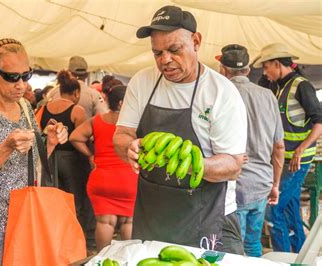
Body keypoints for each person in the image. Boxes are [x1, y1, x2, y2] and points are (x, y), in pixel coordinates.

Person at [113, 5, 248, 254]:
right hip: (151, 215)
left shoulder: (221, 93)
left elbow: (233, 164)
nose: (165, 60)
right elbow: (121, 135)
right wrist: (128, 147)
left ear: (196, 41)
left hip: (207, 217)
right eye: (157, 52)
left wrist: (188, 163)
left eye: (174, 50)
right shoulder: (142, 82)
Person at [0, 38, 67, 265]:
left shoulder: (25, 107)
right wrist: (6, 147)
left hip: (24, 220)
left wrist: (51, 142)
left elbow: (33, 161)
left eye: (26, 75)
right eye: (12, 76)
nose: (21, 85)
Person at [253, 43, 322, 253]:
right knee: (291, 209)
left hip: (297, 160)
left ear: (277, 63)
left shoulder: (301, 86)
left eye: (266, 67)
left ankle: (282, 256)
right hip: (283, 159)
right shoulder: (279, 86)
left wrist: (302, 149)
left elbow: (319, 122)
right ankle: (300, 254)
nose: (265, 72)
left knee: (273, 210)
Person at [217, 44, 285, 257]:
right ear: (247, 69)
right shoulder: (268, 96)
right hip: (262, 183)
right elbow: (279, 146)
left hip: (231, 187)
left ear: (223, 70)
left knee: (232, 248)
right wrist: (275, 184)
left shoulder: (221, 94)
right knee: (253, 243)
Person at [70, 84, 138, 251]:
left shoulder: (96, 120)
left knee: (104, 222)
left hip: (102, 179)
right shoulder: (134, 124)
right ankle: (126, 260)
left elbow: (75, 137)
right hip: (128, 180)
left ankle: (102, 259)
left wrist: (90, 154)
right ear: (124, 103)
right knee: (128, 222)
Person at [37, 70, 93, 249]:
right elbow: (80, 137)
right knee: (75, 200)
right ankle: (76, 240)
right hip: (72, 160)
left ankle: (56, 239)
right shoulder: (77, 110)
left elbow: (39, 134)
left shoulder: (43, 108)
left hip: (50, 157)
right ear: (76, 93)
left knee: (55, 199)